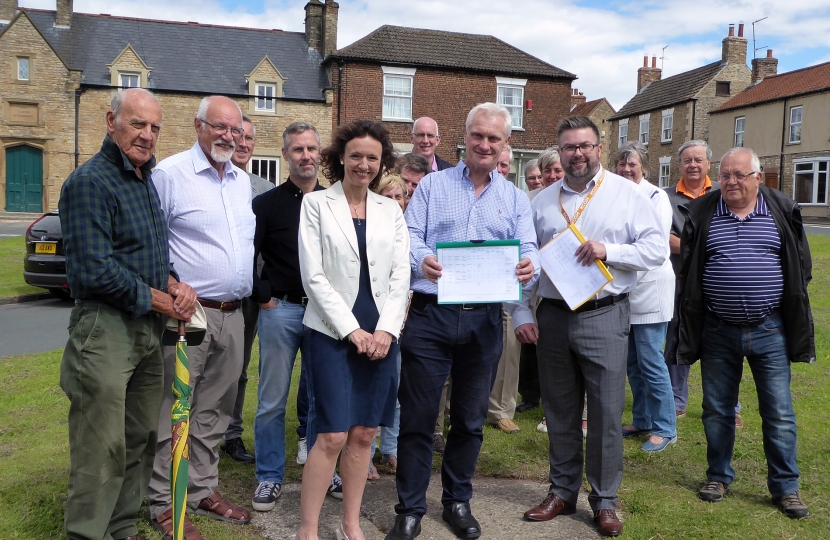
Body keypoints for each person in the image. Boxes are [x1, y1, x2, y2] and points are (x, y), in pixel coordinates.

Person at [388, 103, 538, 540]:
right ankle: (410, 508)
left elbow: (529, 246)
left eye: (494, 138)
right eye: (478, 136)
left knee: (470, 419)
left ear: (505, 144)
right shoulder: (433, 185)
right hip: (432, 316)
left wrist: (531, 264)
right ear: (465, 137)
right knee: (418, 416)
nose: (485, 144)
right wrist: (424, 258)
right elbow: (410, 235)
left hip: (485, 321)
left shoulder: (514, 197)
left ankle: (457, 501)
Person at [58, 88, 197, 540]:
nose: (148, 135)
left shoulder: (144, 180)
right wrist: (164, 300)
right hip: (105, 328)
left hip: (146, 329)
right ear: (110, 121)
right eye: (138, 124)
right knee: (101, 445)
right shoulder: (89, 182)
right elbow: (95, 270)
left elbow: (152, 255)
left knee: (138, 436)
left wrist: (173, 284)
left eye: (155, 127)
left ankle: (121, 526)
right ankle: (87, 532)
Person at [516, 116, 665, 538]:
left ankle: (604, 501)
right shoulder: (541, 201)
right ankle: (561, 491)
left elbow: (656, 248)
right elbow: (524, 263)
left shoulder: (627, 194)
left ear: (599, 149)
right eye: (569, 147)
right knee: (559, 409)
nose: (577, 153)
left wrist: (608, 249)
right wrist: (523, 313)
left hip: (604, 312)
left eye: (584, 146)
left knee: (604, 412)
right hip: (554, 314)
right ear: (559, 152)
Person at [672, 147, 813, 518]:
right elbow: (689, 268)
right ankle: (718, 475)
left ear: (757, 176)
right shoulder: (704, 213)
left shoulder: (780, 211)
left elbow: (801, 266)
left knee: (779, 411)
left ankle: (786, 487)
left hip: (771, 329)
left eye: (739, 175)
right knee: (717, 410)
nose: (731, 182)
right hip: (717, 329)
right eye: (725, 175)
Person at [296, 120, 411, 540]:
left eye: (372, 158)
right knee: (330, 434)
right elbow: (313, 278)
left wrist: (385, 331)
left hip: (382, 336)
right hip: (330, 333)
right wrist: (352, 331)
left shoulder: (390, 210)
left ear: (382, 164)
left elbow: (402, 275)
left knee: (364, 433)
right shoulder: (315, 205)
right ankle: (307, 529)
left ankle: (350, 523)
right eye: (356, 155)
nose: (364, 164)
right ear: (340, 156)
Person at [148, 95, 256, 538]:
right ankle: (162, 500)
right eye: (220, 127)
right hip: (187, 316)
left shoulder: (240, 181)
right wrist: (172, 284)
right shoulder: (169, 175)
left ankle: (201, 490)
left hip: (234, 314)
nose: (228, 136)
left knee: (215, 410)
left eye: (235, 130)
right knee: (173, 410)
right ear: (198, 126)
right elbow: (151, 245)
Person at [248, 122, 327, 512]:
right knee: (271, 400)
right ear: (286, 155)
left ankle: (321, 472)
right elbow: (247, 255)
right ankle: (269, 476)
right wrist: (263, 298)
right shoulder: (266, 204)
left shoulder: (335, 202)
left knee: (320, 398)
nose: (306, 156)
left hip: (324, 315)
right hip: (280, 310)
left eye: (311, 148)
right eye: (298, 150)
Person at [663, 141, 743, 426]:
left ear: (709, 164)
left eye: (698, 160)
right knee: (677, 339)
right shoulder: (665, 198)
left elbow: (734, 233)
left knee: (723, 344)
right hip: (679, 282)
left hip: (719, 283)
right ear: (680, 165)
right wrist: (705, 246)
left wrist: (686, 244)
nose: (693, 165)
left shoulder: (725, 194)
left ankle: (729, 406)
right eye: (687, 160)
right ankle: (675, 402)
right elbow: (663, 238)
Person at [613, 142, 676, 453]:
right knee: (632, 362)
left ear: (644, 168)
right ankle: (642, 419)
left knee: (652, 360)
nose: (626, 169)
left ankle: (665, 427)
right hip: (626, 288)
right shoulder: (615, 195)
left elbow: (654, 247)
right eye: (621, 164)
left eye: (632, 164)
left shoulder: (656, 196)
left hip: (651, 287)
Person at [222, 114, 274, 463]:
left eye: (250, 138)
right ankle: (201, 431)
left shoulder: (264, 190)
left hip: (252, 294)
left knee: (239, 367)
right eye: (238, 135)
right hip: (216, 292)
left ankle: (231, 433)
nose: (243, 143)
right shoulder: (212, 182)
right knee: (211, 366)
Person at [366, 173, 409, 479]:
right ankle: (364, 454)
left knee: (397, 392)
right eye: (389, 195)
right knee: (372, 391)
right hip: (375, 322)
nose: (396, 202)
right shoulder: (371, 229)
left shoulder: (412, 229)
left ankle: (390, 449)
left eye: (401, 196)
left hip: (406, 323)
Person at [488, 144, 524, 434]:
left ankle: (502, 409)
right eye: (495, 164)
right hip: (473, 286)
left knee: (509, 349)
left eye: (503, 166)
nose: (499, 170)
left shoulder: (516, 198)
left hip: (506, 285)